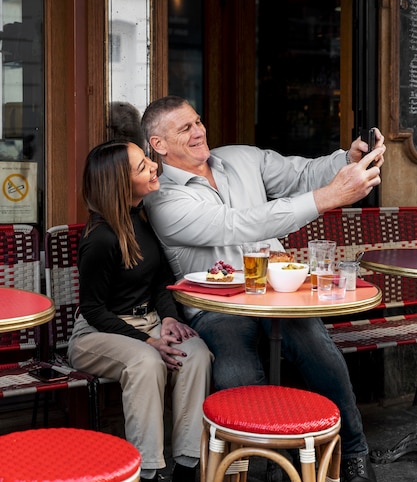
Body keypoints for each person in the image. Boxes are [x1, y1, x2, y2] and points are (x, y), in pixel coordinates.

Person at [141, 95, 386, 482]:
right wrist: (329, 198)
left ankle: (354, 453)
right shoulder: (163, 199)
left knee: (321, 354)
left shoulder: (241, 158)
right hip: (215, 306)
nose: (199, 131)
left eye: (198, 121)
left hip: (277, 292)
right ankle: (253, 469)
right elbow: (240, 223)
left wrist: (346, 161)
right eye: (184, 128)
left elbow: (300, 174)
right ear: (159, 144)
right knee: (235, 372)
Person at [67, 140, 212, 482]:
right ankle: (147, 471)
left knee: (197, 355)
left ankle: (188, 466)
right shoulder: (100, 239)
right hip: (98, 332)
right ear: (120, 182)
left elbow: (161, 281)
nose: (153, 166)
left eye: (147, 159)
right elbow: (92, 308)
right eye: (142, 166)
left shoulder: (142, 220)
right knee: (146, 363)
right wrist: (147, 340)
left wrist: (170, 319)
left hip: (149, 323)